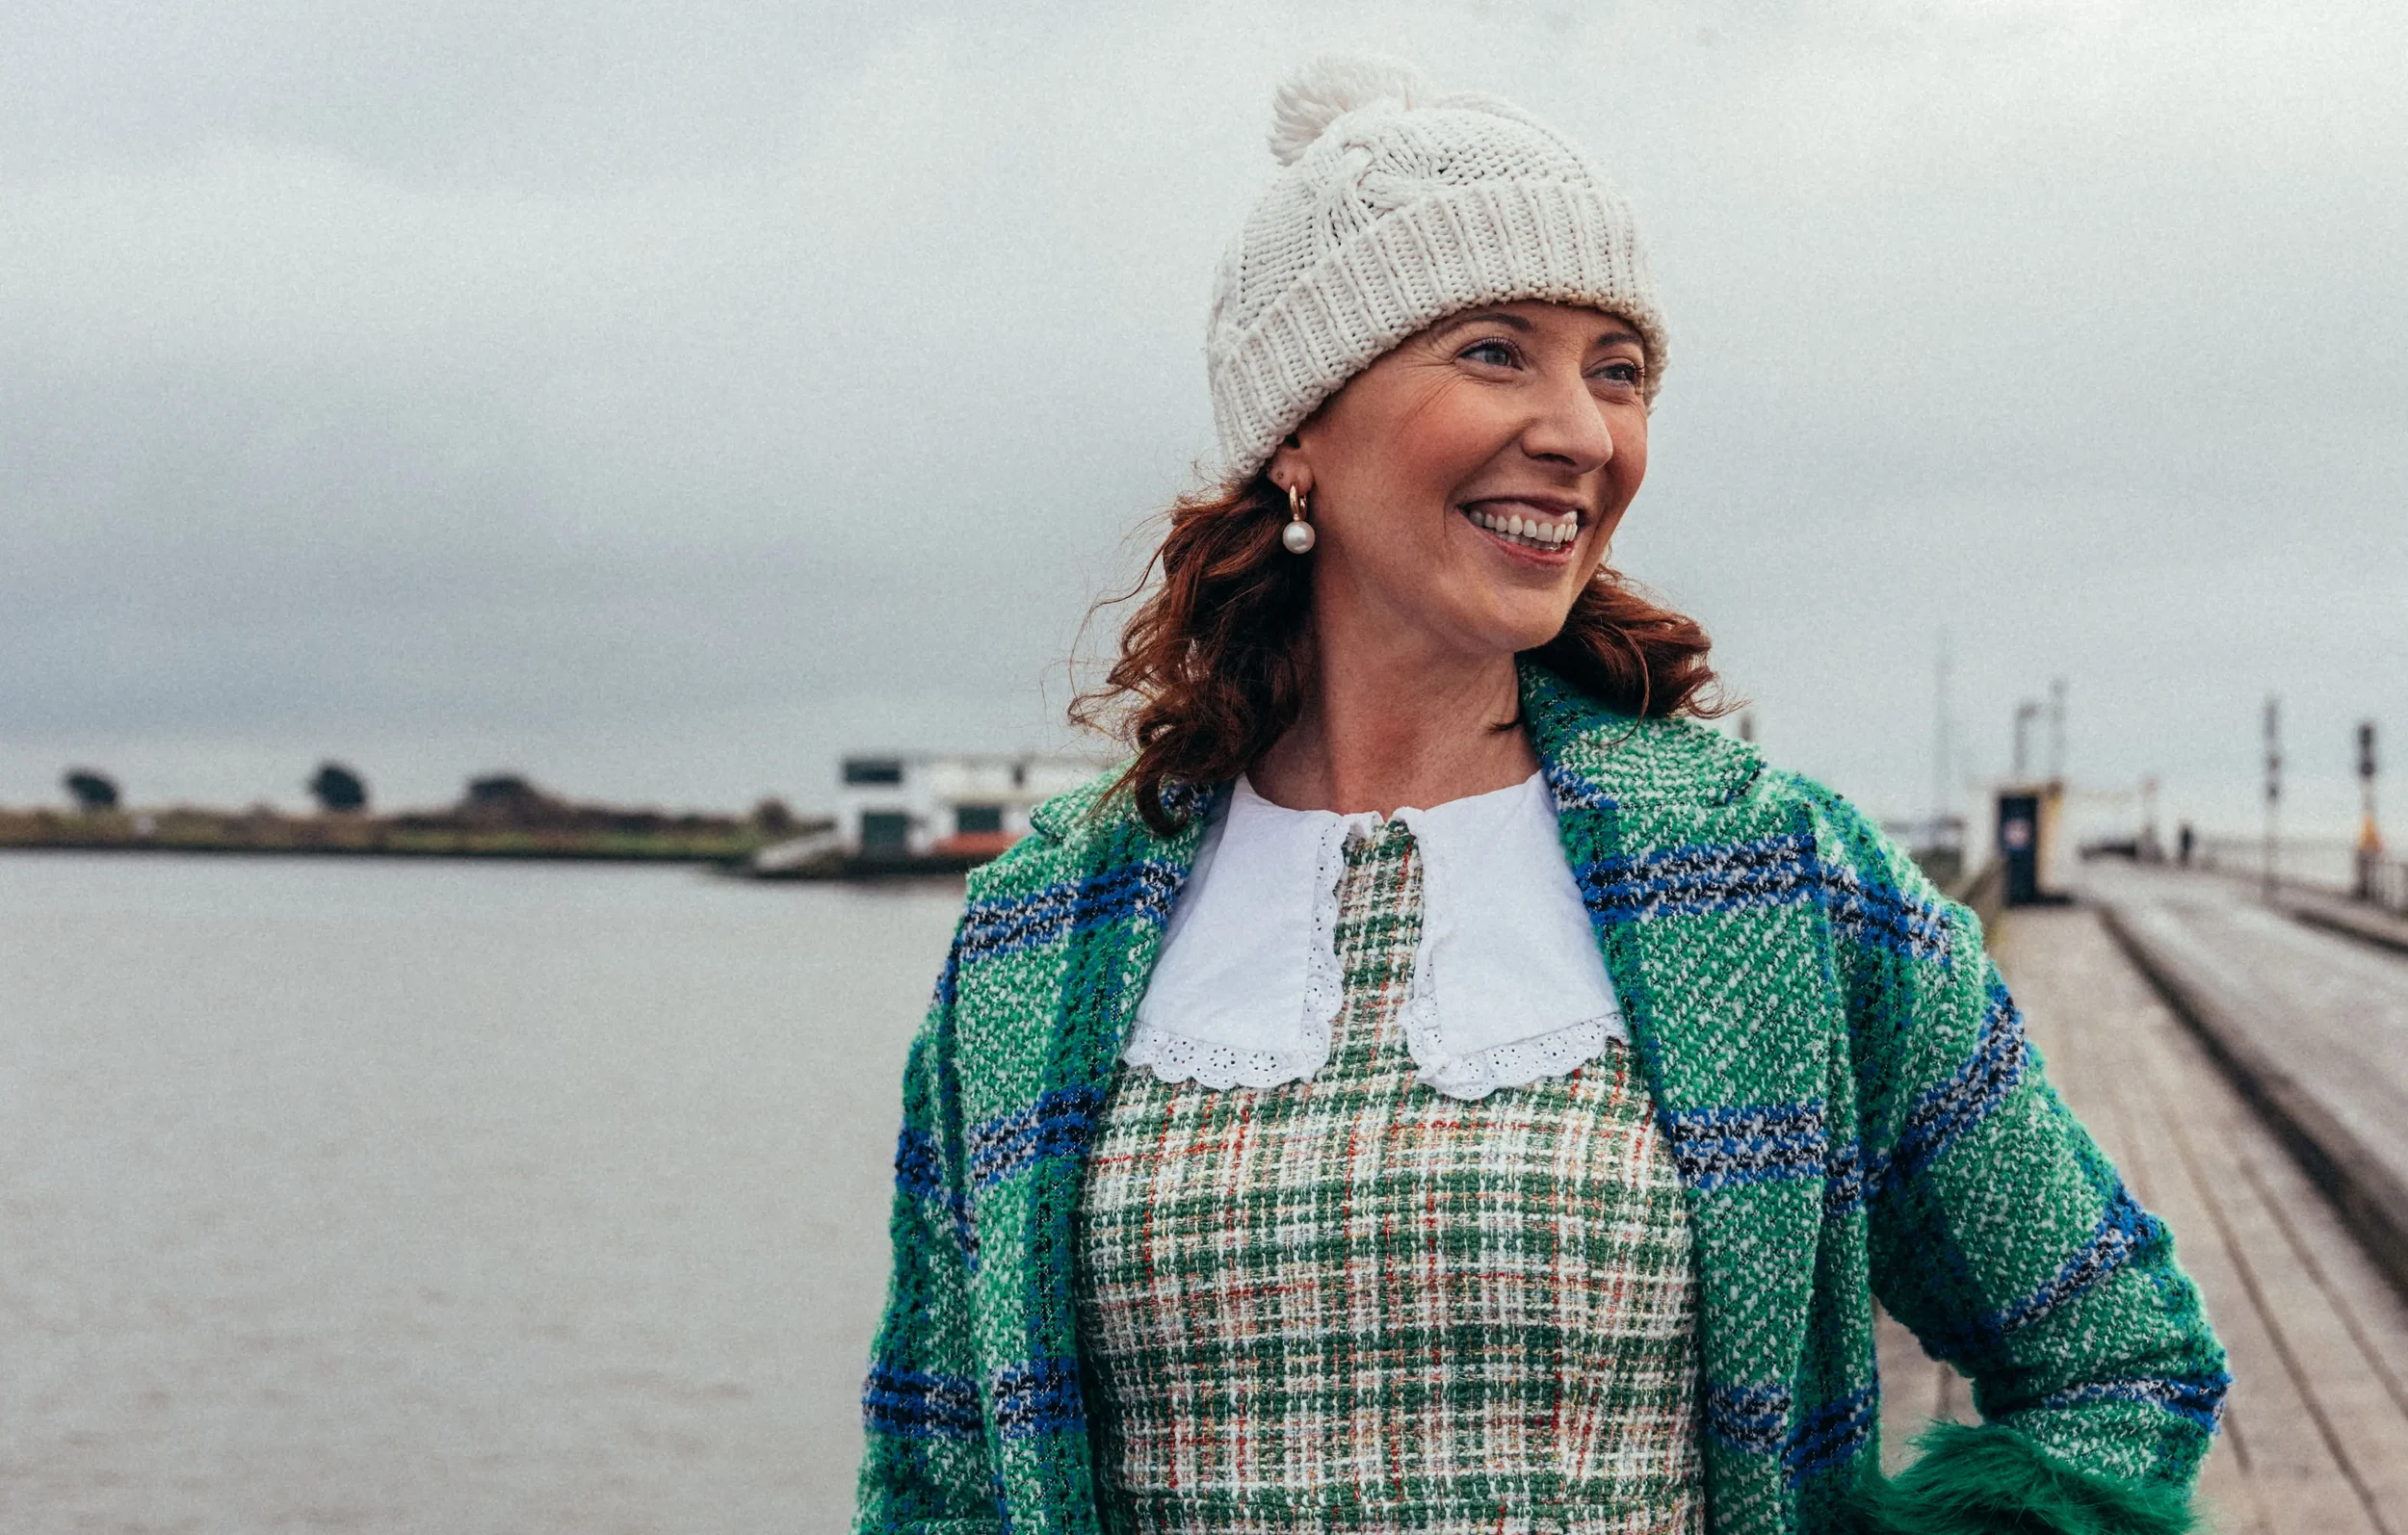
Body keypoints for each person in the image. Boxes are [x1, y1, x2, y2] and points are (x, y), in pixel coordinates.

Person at [854, 56, 2225, 1535]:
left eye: (1617, 369)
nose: (1582, 429)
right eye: (1498, 351)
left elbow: (2122, 1360)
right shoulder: (1033, 938)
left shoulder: (1776, 885)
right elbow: (936, 1482)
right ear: (1300, 429)